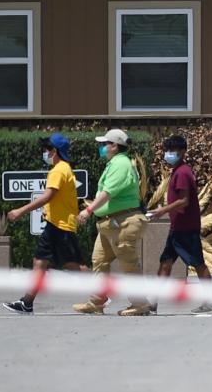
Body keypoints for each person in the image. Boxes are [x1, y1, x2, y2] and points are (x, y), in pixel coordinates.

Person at [3, 133, 83, 314]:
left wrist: (19, 211)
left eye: (46, 150)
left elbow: (48, 195)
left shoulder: (59, 170)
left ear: (54, 151)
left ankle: (101, 294)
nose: (44, 153)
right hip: (54, 224)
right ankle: (27, 302)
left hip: (61, 226)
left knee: (74, 266)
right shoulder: (63, 168)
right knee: (39, 261)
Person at [74, 128, 151, 316]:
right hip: (110, 223)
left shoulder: (121, 165)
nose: (102, 147)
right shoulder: (115, 163)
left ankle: (140, 304)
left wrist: (89, 210)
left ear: (115, 146)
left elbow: (108, 193)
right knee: (99, 261)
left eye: (104, 144)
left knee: (128, 264)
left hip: (123, 222)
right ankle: (97, 301)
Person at [147, 135, 212, 315]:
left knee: (198, 264)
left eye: (173, 151)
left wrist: (162, 210)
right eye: (167, 150)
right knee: (165, 262)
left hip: (186, 229)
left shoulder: (183, 172)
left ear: (182, 152)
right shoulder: (178, 170)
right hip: (177, 228)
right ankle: (152, 303)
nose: (168, 154)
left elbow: (184, 201)